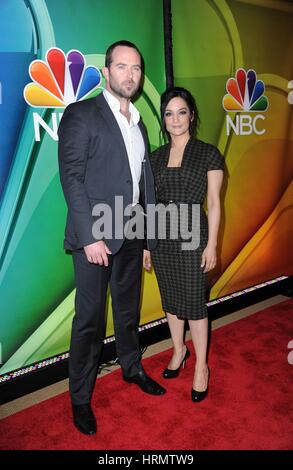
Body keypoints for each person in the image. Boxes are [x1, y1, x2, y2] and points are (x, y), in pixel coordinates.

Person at [58, 40, 166, 436]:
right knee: (89, 319)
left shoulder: (138, 121)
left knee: (127, 311)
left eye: (136, 68)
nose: (130, 75)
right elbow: (71, 177)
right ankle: (80, 397)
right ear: (107, 72)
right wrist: (88, 236)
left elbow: (144, 184)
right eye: (122, 67)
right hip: (95, 238)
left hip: (132, 235)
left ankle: (132, 367)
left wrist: (149, 240)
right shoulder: (81, 113)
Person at [144, 87, 224, 403]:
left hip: (194, 236)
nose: (175, 119)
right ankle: (179, 351)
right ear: (163, 120)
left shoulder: (207, 153)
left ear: (191, 115)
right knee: (171, 300)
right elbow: (149, 204)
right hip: (162, 235)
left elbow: (215, 203)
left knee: (193, 303)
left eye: (181, 112)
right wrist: (147, 244)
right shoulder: (155, 156)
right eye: (168, 113)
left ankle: (201, 367)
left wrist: (212, 244)